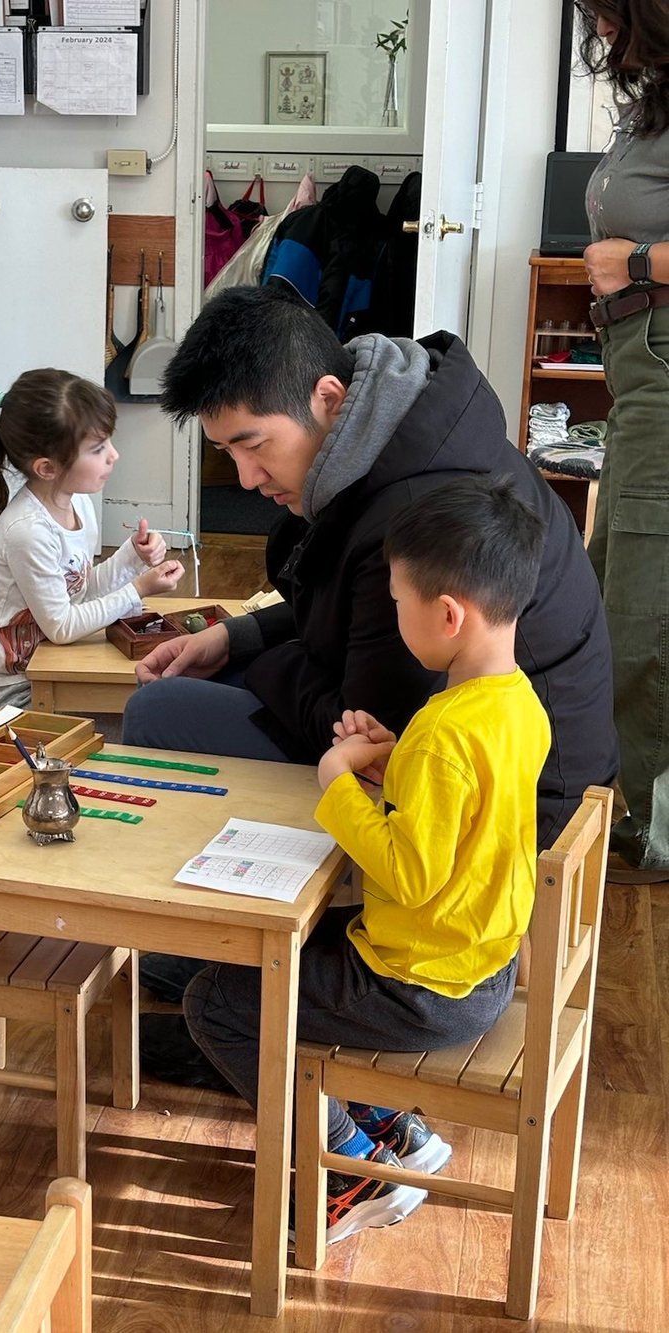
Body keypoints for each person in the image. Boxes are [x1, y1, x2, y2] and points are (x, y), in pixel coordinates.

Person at [125, 285, 616, 1068]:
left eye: (255, 446)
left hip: (486, 827)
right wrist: (239, 635)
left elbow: (368, 713)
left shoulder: (413, 517)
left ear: (328, 396)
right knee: (193, 702)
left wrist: (266, 664)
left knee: (158, 719)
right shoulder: (394, 436)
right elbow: (340, 614)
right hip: (493, 782)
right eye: (230, 456)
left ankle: (235, 1025)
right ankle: (218, 957)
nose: (247, 479)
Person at [182, 476, 552, 1244]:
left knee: (217, 999)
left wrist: (335, 780)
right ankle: (390, 1127)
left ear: (448, 614)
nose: (390, 612)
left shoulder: (442, 732)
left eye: (396, 599)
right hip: (479, 961)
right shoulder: (515, 703)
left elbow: (409, 874)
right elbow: (464, 822)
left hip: (422, 983)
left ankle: (350, 1168)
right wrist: (392, 767)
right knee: (274, 962)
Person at [0, 368, 183, 720]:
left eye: (108, 441)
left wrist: (132, 557)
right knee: (140, 726)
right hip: (8, 697)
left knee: (154, 708)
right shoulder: (28, 531)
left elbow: (79, 590)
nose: (114, 455)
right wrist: (138, 589)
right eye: (97, 448)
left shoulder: (77, 503)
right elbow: (62, 627)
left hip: (50, 668)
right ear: (47, 468)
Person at [580, 0, 669, 882]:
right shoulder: (654, 103)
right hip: (637, 365)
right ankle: (611, 802)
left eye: (608, 12)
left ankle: (645, 829)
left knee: (645, 615)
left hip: (664, 366)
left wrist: (636, 264)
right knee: (611, 586)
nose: (600, 31)